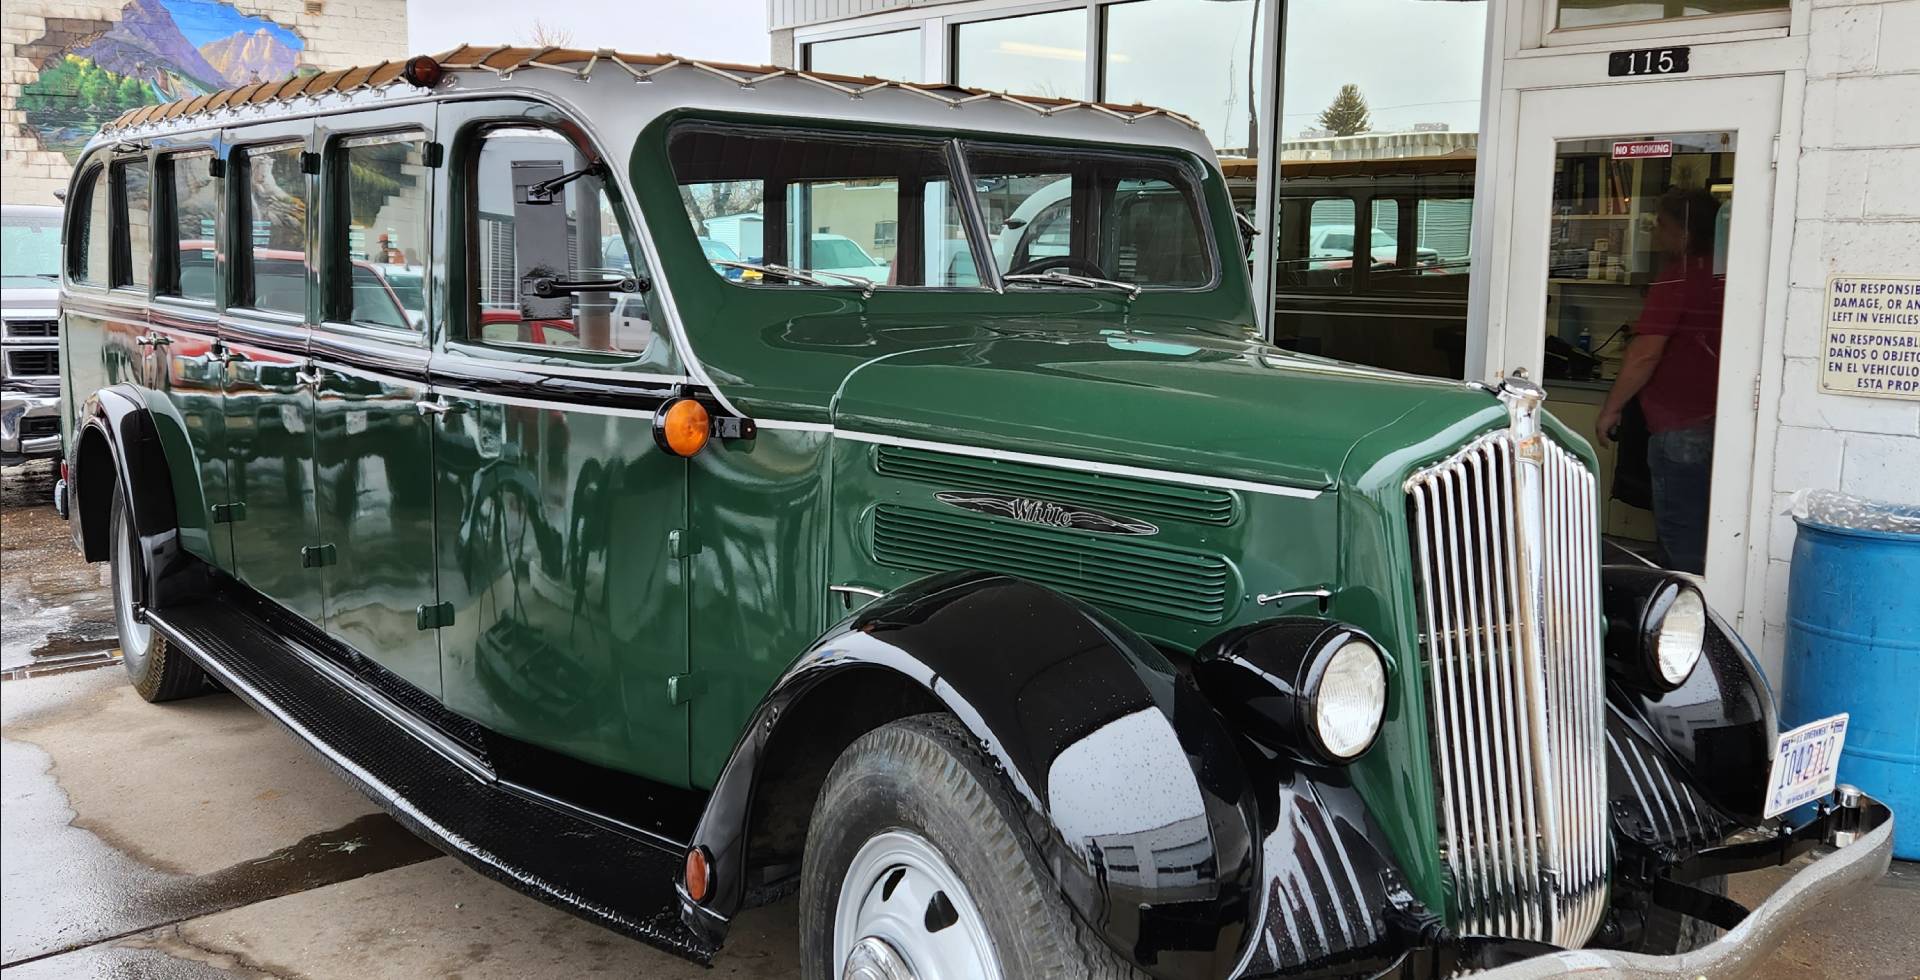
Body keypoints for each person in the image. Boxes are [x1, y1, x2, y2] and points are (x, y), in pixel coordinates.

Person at [1596, 188, 1725, 574]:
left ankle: (1683, 622)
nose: (1655, 234)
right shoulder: (1724, 275)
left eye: (1661, 226)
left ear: (1684, 233)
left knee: (1681, 544)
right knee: (1710, 536)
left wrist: (1611, 408)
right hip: (1718, 420)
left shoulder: (1677, 279)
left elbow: (1645, 354)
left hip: (1680, 424)